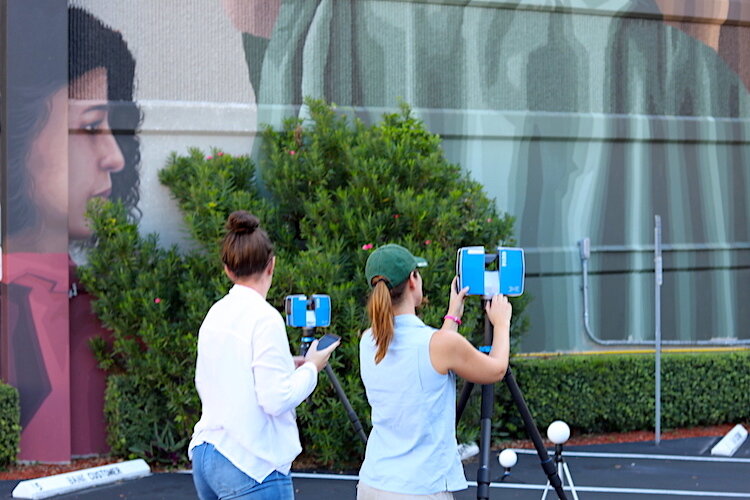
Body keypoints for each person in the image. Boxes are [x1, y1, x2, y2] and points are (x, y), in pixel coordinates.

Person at [2, 4, 141, 460]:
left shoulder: (108, 310)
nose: (114, 157)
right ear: (15, 134)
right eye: (88, 127)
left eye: (112, 126)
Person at [189, 211, 340, 500]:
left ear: (227, 269)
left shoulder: (215, 313)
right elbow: (276, 399)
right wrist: (312, 368)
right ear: (272, 265)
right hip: (251, 463)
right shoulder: (265, 318)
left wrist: (289, 366)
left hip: (207, 453)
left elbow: (217, 376)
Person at [357, 243, 512, 499]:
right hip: (420, 488)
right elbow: (496, 370)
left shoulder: (368, 340)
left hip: (373, 482)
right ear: (412, 281)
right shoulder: (437, 345)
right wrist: (502, 323)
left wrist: (454, 314)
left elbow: (431, 356)